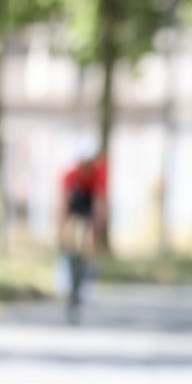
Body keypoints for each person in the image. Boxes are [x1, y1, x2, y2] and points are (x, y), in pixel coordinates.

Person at [57, 138, 107, 323]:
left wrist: (98, 224)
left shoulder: (97, 174)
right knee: (70, 244)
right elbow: (63, 205)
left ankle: (88, 273)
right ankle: (69, 275)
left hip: (88, 213)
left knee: (88, 242)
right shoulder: (70, 175)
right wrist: (62, 228)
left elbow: (99, 201)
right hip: (74, 212)